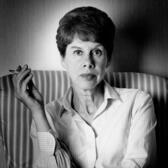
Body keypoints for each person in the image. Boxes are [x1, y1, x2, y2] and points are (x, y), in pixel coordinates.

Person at [12, 6, 157, 168]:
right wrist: (37, 112)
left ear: (108, 59)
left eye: (97, 52)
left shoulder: (138, 102)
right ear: (63, 59)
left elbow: (138, 164)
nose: (88, 63)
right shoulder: (45, 116)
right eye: (78, 52)